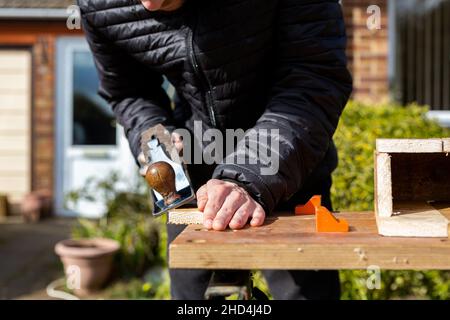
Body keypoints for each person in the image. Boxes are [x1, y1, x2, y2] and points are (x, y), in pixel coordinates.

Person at [78, 0, 353, 299]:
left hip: (287, 160)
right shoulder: (99, 5)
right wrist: (156, 139)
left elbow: (314, 77)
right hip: (194, 181)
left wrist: (249, 174)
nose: (150, 4)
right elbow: (129, 91)